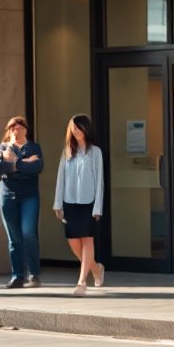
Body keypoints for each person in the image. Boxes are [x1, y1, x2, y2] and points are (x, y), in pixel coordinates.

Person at [53, 114, 105, 297]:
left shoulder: (95, 152)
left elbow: (100, 181)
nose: (76, 130)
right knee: (74, 242)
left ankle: (82, 282)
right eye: (73, 127)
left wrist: (98, 207)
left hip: (88, 203)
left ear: (86, 129)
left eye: (79, 127)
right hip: (69, 202)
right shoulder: (67, 151)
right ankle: (96, 268)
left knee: (87, 239)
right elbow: (61, 178)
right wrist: (57, 203)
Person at [0, 117, 44, 288]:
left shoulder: (33, 147)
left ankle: (34, 274)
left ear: (25, 130)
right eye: (12, 128)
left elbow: (36, 168)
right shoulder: (3, 147)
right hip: (7, 197)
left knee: (28, 233)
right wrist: (24, 164)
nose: (16, 131)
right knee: (14, 238)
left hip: (29, 196)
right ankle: (17, 276)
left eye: (19, 128)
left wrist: (14, 162)